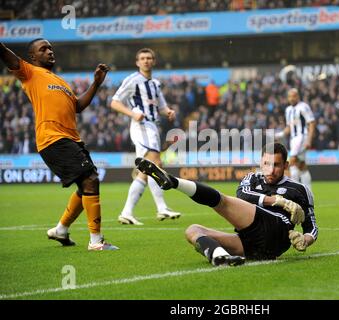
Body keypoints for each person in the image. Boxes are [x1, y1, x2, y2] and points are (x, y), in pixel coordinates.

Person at [0, 39, 118, 250]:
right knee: (90, 180)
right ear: (33, 57)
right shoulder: (29, 72)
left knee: (86, 186)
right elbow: (5, 53)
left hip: (72, 139)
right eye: (43, 49)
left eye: (50, 48)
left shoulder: (61, 82)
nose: (49, 51)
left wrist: (96, 83)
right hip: (52, 138)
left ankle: (61, 230)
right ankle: (96, 241)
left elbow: (78, 106)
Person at [135, 142, 318, 266]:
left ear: (286, 165)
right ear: (260, 162)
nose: (270, 170)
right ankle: (219, 256)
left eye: (276, 165)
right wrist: (278, 201)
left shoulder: (300, 189)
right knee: (192, 230)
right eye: (266, 164)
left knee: (222, 201)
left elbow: (312, 228)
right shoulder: (252, 178)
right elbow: (243, 195)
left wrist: (305, 240)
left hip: (276, 230)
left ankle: (173, 182)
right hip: (251, 243)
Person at [110, 48, 181, 225]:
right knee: (156, 163)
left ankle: (127, 212)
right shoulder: (133, 80)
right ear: (137, 62)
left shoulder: (155, 84)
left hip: (152, 126)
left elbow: (161, 107)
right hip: (141, 126)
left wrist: (169, 112)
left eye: (149, 58)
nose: (146, 61)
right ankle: (162, 207)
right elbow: (114, 102)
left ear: (154, 61)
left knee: (145, 171)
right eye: (142, 58)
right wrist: (132, 114)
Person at [276, 88, 316, 190]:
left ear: (298, 96)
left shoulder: (303, 107)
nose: (292, 98)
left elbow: (311, 122)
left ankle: (296, 191)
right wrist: (279, 135)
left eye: (294, 96)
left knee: (292, 162)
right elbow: (289, 127)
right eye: (290, 96)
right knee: (302, 166)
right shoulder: (288, 110)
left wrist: (309, 140)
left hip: (302, 137)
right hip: (293, 139)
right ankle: (308, 192)